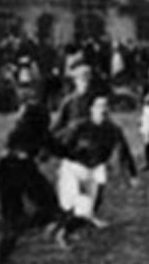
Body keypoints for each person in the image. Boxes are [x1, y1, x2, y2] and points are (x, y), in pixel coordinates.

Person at [0, 101, 71, 264]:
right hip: (24, 168)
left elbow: (40, 149)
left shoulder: (17, 131)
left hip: (4, 168)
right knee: (51, 207)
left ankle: (2, 260)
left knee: (10, 219)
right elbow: (58, 149)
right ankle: (25, 224)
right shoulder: (39, 131)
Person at [54, 95, 139, 233]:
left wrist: (133, 174)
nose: (103, 110)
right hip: (74, 166)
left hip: (95, 167)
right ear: (92, 109)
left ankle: (85, 219)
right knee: (71, 204)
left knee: (92, 200)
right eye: (99, 106)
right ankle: (60, 227)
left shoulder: (113, 129)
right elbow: (60, 144)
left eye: (106, 106)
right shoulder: (79, 126)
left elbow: (124, 151)